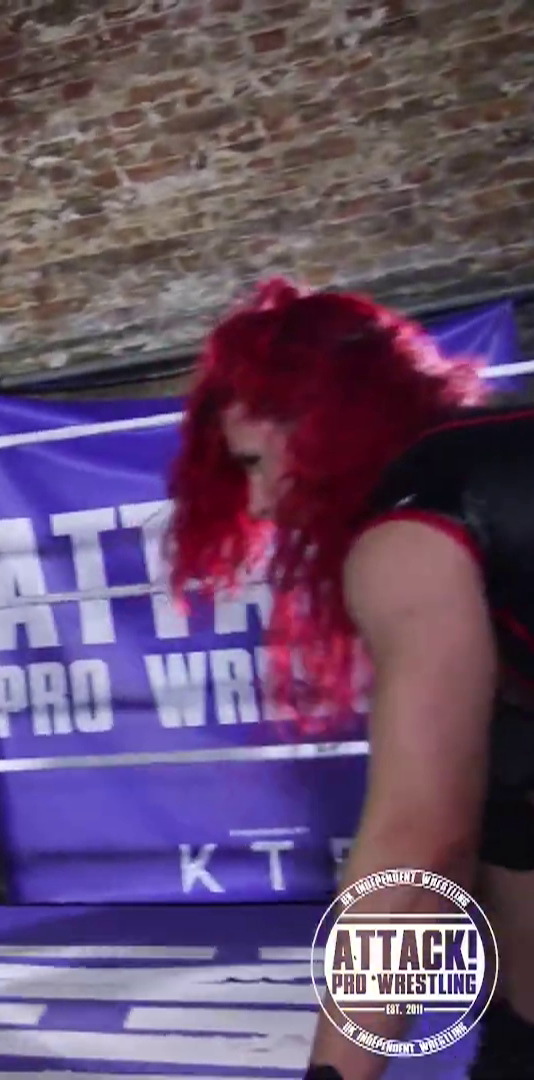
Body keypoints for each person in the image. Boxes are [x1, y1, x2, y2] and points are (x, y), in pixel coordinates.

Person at [163, 278, 526, 1080]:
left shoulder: (416, 527)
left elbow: (421, 843)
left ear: (325, 429)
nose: (258, 504)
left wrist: (334, 1075)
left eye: (256, 463)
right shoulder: (494, 453)